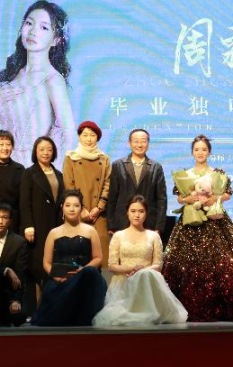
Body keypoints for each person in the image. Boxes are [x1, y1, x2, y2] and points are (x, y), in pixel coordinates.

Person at [163, 135, 233, 321]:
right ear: (192, 152)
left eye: (203, 149)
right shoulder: (185, 174)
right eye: (196, 149)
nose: (200, 152)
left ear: (209, 152)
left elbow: (227, 194)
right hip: (191, 221)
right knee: (186, 264)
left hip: (214, 221)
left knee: (222, 262)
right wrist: (188, 199)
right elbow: (179, 198)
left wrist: (216, 198)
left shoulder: (217, 173)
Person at [0, 0, 76, 164]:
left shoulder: (53, 80)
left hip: (27, 169)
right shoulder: (11, 74)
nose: (33, 31)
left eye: (44, 27)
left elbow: (68, 138)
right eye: (29, 23)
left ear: (56, 40)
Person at [93, 195, 188, 326]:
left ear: (146, 213)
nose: (137, 215)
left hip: (147, 281)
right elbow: (112, 266)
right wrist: (132, 269)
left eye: (141, 211)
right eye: (133, 211)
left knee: (146, 275)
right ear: (127, 212)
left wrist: (141, 271)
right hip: (123, 282)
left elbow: (158, 265)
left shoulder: (154, 236)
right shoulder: (118, 236)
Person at [31, 189, 107, 326]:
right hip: (60, 279)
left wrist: (83, 271)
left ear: (81, 208)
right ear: (62, 207)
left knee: (90, 272)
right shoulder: (54, 233)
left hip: (84, 279)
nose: (72, 209)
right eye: (68, 205)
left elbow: (98, 258)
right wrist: (57, 277)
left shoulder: (90, 230)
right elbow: (46, 263)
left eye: (76, 205)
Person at [19, 136, 65, 314]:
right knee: (36, 266)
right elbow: (25, 202)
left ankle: (50, 308)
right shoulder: (29, 173)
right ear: (35, 152)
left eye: (49, 149)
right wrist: (28, 225)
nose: (46, 152)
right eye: (42, 149)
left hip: (55, 226)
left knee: (53, 264)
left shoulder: (58, 174)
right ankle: (33, 309)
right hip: (36, 226)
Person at [62, 121, 112, 269]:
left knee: (99, 257)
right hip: (77, 212)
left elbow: (107, 185)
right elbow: (69, 185)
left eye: (92, 135)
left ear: (97, 138)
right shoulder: (71, 157)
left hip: (98, 215)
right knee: (77, 258)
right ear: (79, 137)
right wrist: (81, 209)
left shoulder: (104, 159)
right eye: (85, 135)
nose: (89, 139)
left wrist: (99, 208)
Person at [106, 129, 168, 236]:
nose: (139, 145)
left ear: (148, 143)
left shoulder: (156, 167)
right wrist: (111, 224)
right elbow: (112, 198)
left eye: (143, 141)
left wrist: (159, 227)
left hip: (148, 223)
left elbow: (161, 199)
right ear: (129, 143)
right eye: (136, 141)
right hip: (122, 223)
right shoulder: (118, 165)